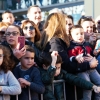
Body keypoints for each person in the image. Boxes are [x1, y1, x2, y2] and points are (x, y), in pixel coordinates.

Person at [39, 13, 98, 100]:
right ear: (59, 24)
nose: (67, 26)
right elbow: (66, 64)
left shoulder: (56, 40)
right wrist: (88, 65)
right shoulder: (55, 41)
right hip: (60, 87)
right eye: (65, 23)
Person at [67, 25, 100, 100]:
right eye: (77, 34)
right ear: (71, 36)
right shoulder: (71, 47)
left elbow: (91, 54)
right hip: (81, 71)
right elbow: (69, 59)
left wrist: (94, 53)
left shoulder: (87, 44)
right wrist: (75, 58)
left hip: (92, 69)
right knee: (87, 86)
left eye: (81, 33)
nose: (80, 36)